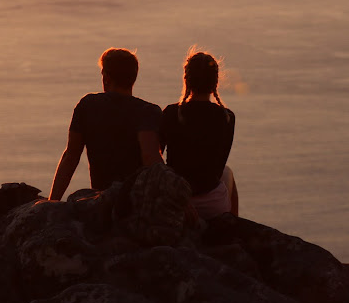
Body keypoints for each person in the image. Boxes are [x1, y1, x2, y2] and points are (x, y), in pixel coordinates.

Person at [49, 48, 162, 201]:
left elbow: (71, 156)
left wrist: (52, 201)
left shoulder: (88, 105)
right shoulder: (149, 111)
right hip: (136, 200)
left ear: (106, 78)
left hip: (101, 200)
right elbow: (151, 160)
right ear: (134, 77)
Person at [159, 49, 238, 219]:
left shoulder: (172, 113)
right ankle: (232, 227)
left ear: (186, 80)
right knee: (227, 173)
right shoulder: (227, 117)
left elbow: (157, 159)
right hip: (213, 204)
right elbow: (219, 164)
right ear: (215, 82)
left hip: (177, 200)